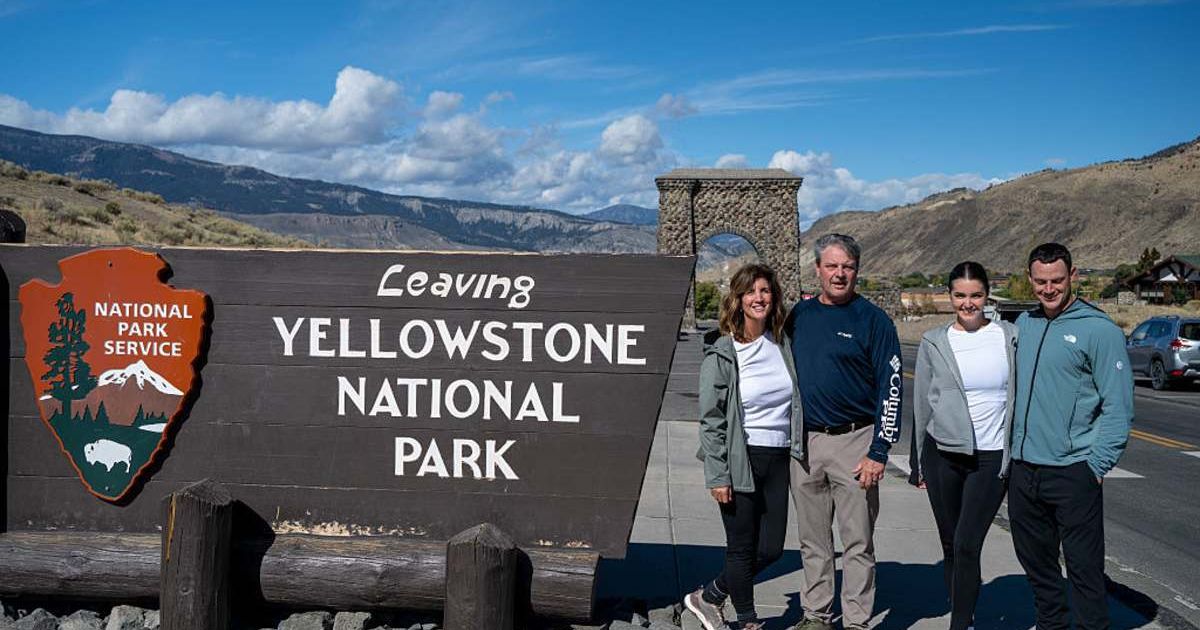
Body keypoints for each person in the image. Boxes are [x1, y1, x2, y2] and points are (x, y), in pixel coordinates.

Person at [1008, 242, 1133, 630]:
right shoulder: (1023, 325)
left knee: (1084, 569)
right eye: (1041, 281)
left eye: (1057, 281)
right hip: (1024, 470)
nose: (1049, 289)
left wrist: (1095, 466)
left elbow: (1119, 407)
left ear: (1073, 277)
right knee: (1038, 567)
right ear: (1030, 280)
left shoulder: (1100, 330)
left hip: (1073, 471)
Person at [785, 233, 902, 630]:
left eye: (847, 267)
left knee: (857, 543)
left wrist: (880, 450)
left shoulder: (873, 320)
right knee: (813, 542)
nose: (839, 274)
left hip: (856, 442)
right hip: (805, 443)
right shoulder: (798, 317)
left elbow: (892, 387)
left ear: (857, 270)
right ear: (817, 269)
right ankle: (816, 615)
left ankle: (855, 621)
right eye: (831, 266)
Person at [685, 263, 804, 630]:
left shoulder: (783, 343)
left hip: (779, 455)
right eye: (750, 292)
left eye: (765, 291)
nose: (758, 298)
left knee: (771, 549)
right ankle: (748, 621)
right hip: (742, 457)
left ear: (774, 297)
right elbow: (712, 419)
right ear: (737, 300)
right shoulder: (723, 353)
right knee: (741, 547)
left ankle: (709, 596)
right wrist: (717, 474)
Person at [912, 262, 1017, 630]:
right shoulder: (934, 341)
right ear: (950, 295)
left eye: (975, 295)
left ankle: (959, 625)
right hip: (943, 455)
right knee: (950, 544)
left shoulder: (1009, 337)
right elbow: (922, 402)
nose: (968, 303)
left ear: (987, 296)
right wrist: (917, 462)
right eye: (960, 295)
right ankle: (966, 616)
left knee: (968, 542)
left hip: (990, 459)